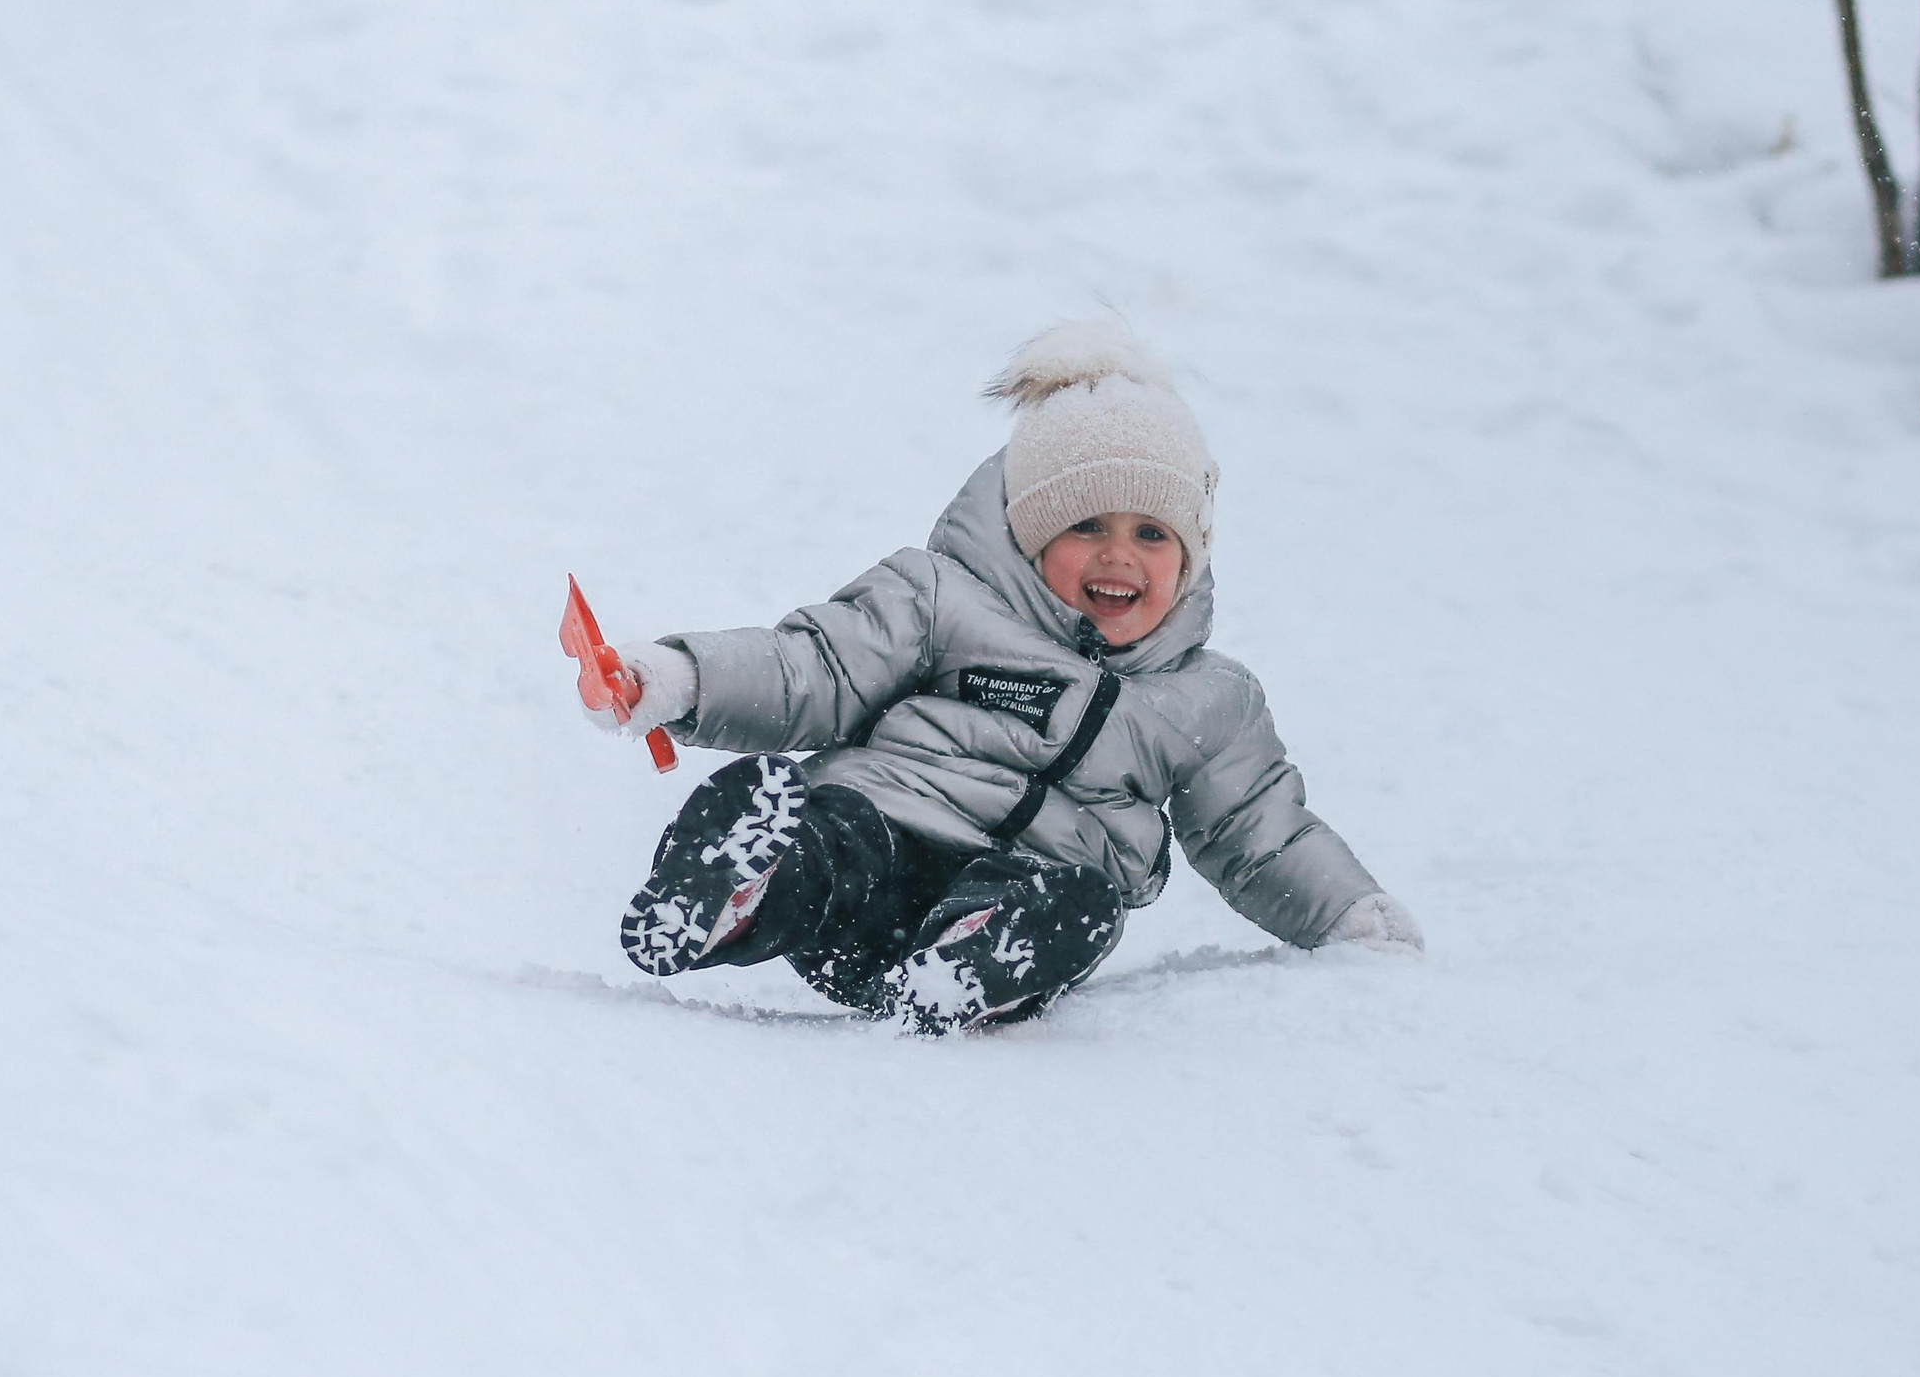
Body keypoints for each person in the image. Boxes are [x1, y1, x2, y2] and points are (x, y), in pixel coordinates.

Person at [584, 323, 1422, 1033]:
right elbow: (817, 665)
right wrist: (682, 680)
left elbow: (1259, 828)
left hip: (1027, 877)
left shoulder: (1210, 701)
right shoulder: (939, 599)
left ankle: (969, 958)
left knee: (1081, 900)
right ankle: (740, 891)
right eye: (1085, 523)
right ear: (1028, 531)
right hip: (881, 834)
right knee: (824, 831)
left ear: (1193, 552)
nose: (1119, 554)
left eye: (1152, 533)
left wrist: (1348, 914)